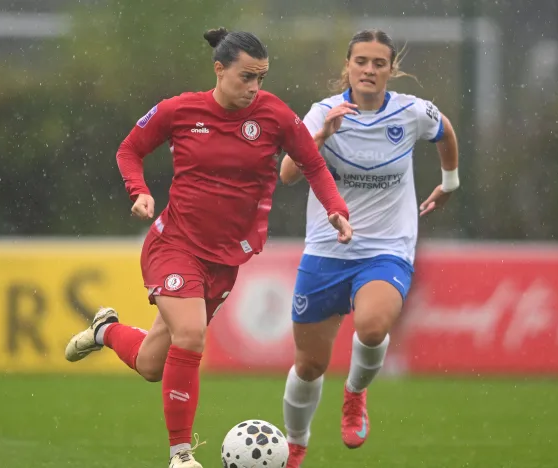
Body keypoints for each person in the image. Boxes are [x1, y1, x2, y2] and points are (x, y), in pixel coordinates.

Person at [63, 27, 353, 468]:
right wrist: (138, 190)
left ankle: (105, 330)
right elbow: (130, 149)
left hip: (227, 258)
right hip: (174, 243)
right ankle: (181, 455)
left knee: (150, 365)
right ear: (219, 70)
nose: (255, 87)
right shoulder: (180, 110)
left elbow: (312, 163)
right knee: (192, 336)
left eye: (262, 77)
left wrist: (335, 208)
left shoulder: (274, 116)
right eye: (246, 77)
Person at [277, 29, 460, 467]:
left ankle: (355, 395)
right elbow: (287, 173)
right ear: (348, 66)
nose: (370, 70)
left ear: (391, 70)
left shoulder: (412, 113)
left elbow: (445, 130)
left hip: (386, 247)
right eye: (362, 61)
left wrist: (450, 181)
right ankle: (296, 443)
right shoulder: (323, 112)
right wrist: (322, 135)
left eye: (379, 63)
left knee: (373, 327)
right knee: (308, 367)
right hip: (326, 248)